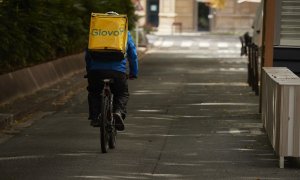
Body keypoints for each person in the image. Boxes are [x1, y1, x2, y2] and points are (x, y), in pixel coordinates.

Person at [85, 11, 138, 131]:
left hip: (96, 72)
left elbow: (88, 55)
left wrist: (89, 71)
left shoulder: (96, 33)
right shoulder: (124, 33)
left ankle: (95, 117)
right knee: (122, 93)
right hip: (118, 71)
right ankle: (118, 112)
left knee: (94, 92)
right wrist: (134, 72)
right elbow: (133, 55)